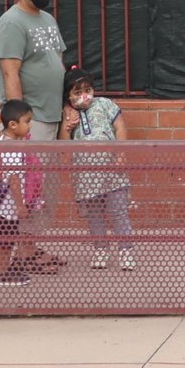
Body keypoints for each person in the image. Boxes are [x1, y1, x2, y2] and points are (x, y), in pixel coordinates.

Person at [57, 68, 128, 271]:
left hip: (113, 172)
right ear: (68, 96)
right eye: (77, 93)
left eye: (87, 90)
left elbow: (120, 127)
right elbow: (64, 146)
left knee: (118, 211)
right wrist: (66, 128)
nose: (83, 96)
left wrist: (121, 154)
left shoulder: (104, 104)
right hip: (86, 177)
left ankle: (126, 251)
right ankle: (101, 250)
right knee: (95, 215)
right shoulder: (69, 115)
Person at [0, 0, 68, 138]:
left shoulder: (48, 19)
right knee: (31, 166)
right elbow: (10, 73)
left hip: (54, 114)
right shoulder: (11, 22)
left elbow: (58, 62)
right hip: (31, 120)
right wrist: (21, 122)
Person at [0, 95, 49, 274]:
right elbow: (14, 178)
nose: (30, 125)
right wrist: (19, 205)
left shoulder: (4, 141)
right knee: (5, 241)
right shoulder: (12, 148)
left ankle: (4, 269)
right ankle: (2, 272)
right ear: (13, 124)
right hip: (7, 208)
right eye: (27, 121)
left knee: (5, 239)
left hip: (2, 208)